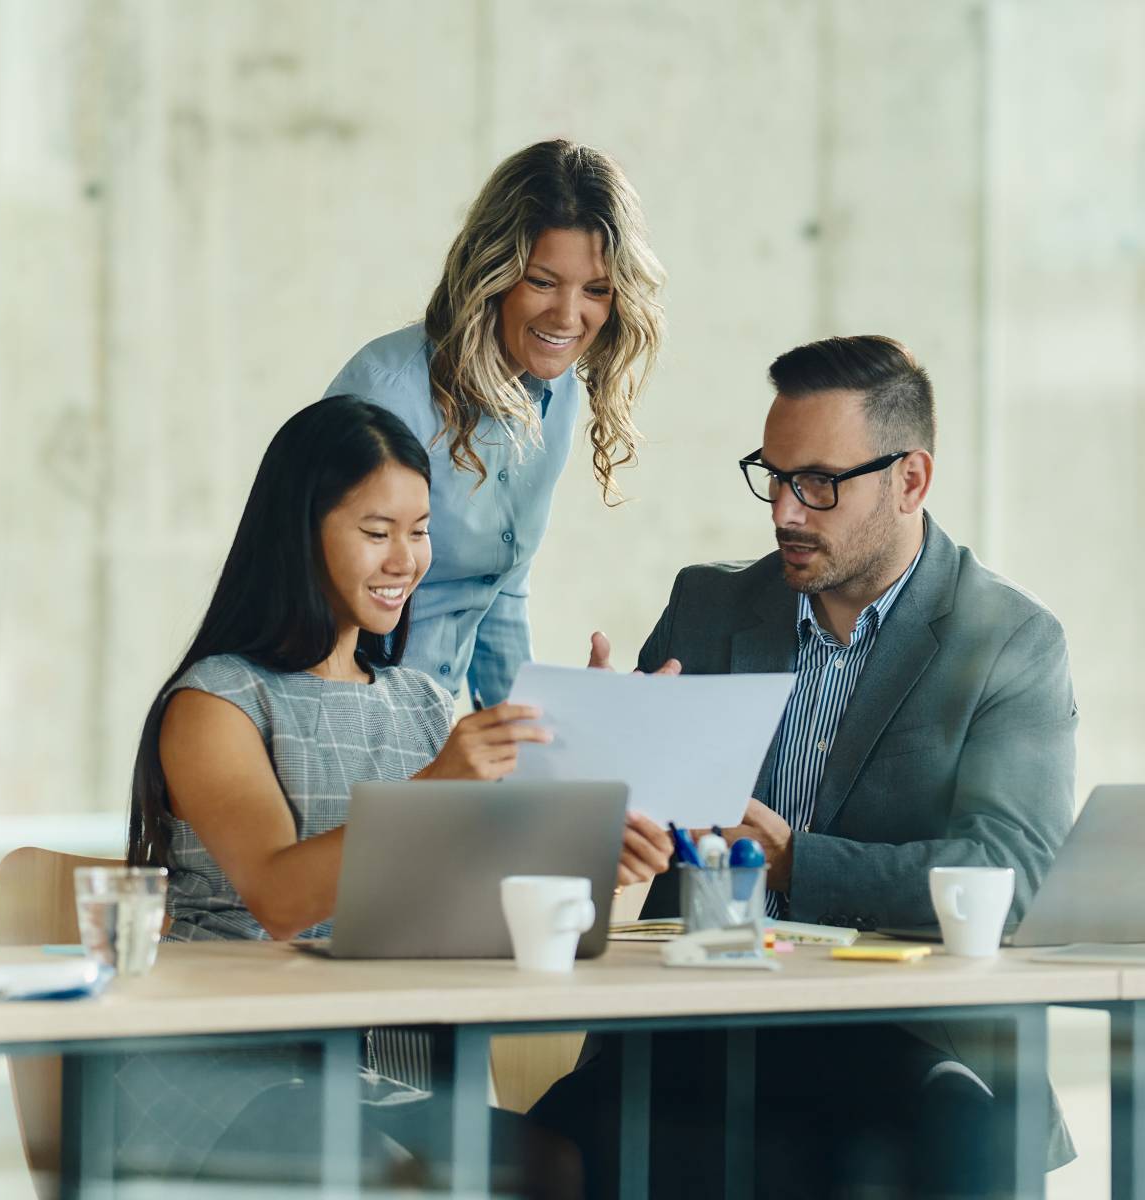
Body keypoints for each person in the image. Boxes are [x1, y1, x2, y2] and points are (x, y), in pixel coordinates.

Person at [531, 336, 1081, 1198]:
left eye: (820, 483)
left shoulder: (1007, 641)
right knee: (529, 1150)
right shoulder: (709, 607)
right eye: (774, 475)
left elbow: (1016, 877)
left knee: (923, 1142)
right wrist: (593, 755)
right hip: (695, 1029)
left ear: (910, 480)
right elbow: (610, 838)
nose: (785, 510)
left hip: (903, 1038)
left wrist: (797, 862)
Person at [119, 395, 671, 1194]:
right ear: (298, 535)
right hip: (225, 1057)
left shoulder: (421, 704)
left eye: (419, 531)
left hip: (379, 1061)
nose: (405, 560)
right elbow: (280, 900)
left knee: (547, 1167)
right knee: (385, 1177)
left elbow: (469, 908)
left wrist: (588, 830)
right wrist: (439, 784)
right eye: (377, 532)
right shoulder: (218, 702)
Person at [325, 138, 665, 706]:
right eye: (542, 281)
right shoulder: (387, 395)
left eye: (597, 290)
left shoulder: (557, 391)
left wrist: (534, 735)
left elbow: (499, 589)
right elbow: (309, 588)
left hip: (433, 725)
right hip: (346, 715)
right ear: (493, 270)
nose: (568, 316)